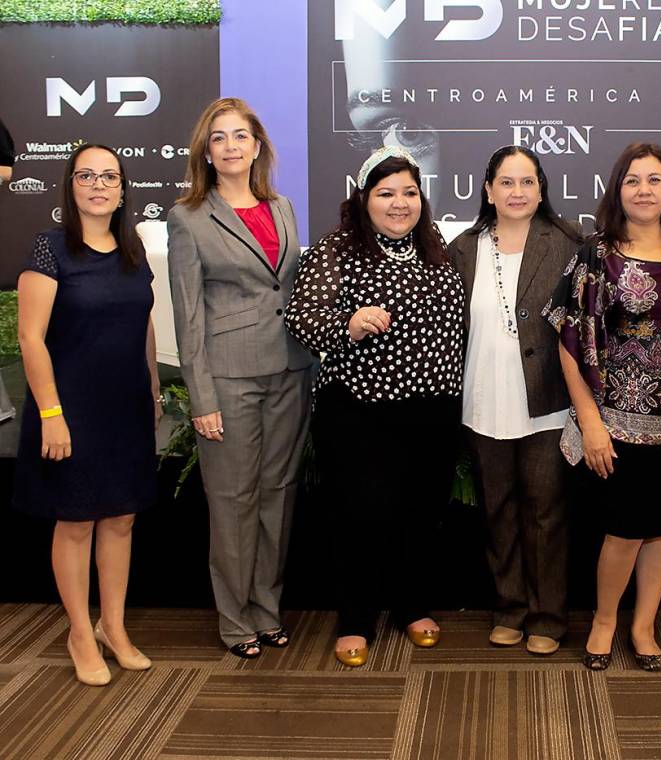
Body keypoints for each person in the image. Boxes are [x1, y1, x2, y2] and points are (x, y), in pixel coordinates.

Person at [545, 143, 661, 672]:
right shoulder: (596, 254)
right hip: (616, 421)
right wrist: (590, 423)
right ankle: (605, 622)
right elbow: (570, 339)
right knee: (624, 529)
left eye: (654, 180)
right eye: (633, 180)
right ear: (618, 191)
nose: (644, 190)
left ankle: (645, 626)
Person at [285, 146, 464, 667]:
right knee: (360, 513)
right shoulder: (335, 250)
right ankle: (356, 617)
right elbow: (300, 317)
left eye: (409, 192)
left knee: (421, 509)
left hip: (430, 409)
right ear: (363, 199)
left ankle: (411, 606)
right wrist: (348, 323)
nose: (399, 203)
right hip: (359, 411)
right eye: (386, 193)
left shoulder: (436, 248)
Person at [168, 98, 314, 659]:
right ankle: (234, 621)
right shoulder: (187, 217)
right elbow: (188, 315)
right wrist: (201, 396)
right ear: (206, 151)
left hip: (291, 369)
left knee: (278, 495)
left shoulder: (281, 206)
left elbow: (291, 291)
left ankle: (266, 609)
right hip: (228, 378)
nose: (231, 146)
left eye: (241, 136)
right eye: (219, 138)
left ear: (257, 146)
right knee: (232, 501)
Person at [14, 144, 159, 685]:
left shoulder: (133, 250)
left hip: (125, 405)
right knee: (75, 521)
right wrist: (51, 412)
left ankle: (113, 627)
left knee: (121, 517)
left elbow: (143, 325)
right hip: (69, 407)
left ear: (123, 189)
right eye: (86, 176)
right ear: (70, 185)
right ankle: (79, 631)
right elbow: (30, 338)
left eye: (110, 176)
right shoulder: (50, 249)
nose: (99, 185)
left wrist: (152, 391)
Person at [447, 146, 582, 655]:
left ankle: (548, 616)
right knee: (496, 510)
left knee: (546, 511)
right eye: (506, 182)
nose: (517, 192)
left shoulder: (569, 243)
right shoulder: (462, 248)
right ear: (488, 190)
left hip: (547, 402)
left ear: (541, 188)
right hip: (483, 400)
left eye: (527, 182)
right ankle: (509, 609)